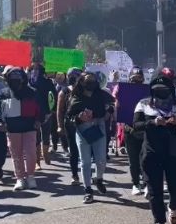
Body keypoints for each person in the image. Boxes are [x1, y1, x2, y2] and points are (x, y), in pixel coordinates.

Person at [133, 75, 176, 224]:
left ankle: (173, 206)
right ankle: (159, 222)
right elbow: (136, 125)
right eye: (157, 90)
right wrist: (152, 122)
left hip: (174, 152)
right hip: (151, 151)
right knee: (154, 189)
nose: (160, 93)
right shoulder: (143, 104)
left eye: (164, 90)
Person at [66, 72, 115, 203]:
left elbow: (113, 104)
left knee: (101, 159)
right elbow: (69, 116)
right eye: (88, 80)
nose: (91, 83)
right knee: (85, 162)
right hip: (82, 131)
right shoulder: (75, 97)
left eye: (94, 80)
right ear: (81, 82)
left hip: (99, 127)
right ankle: (88, 190)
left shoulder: (101, 95)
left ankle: (99, 179)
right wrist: (78, 117)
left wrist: (108, 112)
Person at [0, 68, 43, 191]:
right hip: (12, 129)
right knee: (16, 155)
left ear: (23, 79)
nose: (15, 79)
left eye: (18, 77)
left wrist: (38, 120)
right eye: (12, 77)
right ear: (8, 79)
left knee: (31, 153)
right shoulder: (4, 92)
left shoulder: (32, 92)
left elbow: (40, 108)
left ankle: (31, 177)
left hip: (30, 127)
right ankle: (20, 178)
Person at [115, 67, 147, 195]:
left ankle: (145, 183)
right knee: (133, 160)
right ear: (129, 79)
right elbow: (118, 109)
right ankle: (135, 183)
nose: (137, 82)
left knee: (145, 159)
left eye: (139, 79)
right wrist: (118, 101)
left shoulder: (147, 92)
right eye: (134, 79)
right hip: (129, 130)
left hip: (144, 130)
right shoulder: (124, 91)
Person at [57, 68, 83, 185]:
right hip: (70, 125)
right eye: (71, 75)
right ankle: (75, 175)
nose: (74, 78)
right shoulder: (64, 91)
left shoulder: (85, 90)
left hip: (84, 123)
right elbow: (60, 111)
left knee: (86, 150)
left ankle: (87, 173)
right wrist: (60, 126)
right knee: (73, 150)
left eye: (76, 75)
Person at [28, 63, 56, 167]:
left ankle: (45, 154)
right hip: (33, 114)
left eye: (37, 70)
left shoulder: (48, 82)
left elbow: (53, 97)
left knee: (46, 134)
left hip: (46, 113)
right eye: (32, 69)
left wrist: (51, 111)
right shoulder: (28, 83)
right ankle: (37, 161)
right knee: (35, 137)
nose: (34, 72)